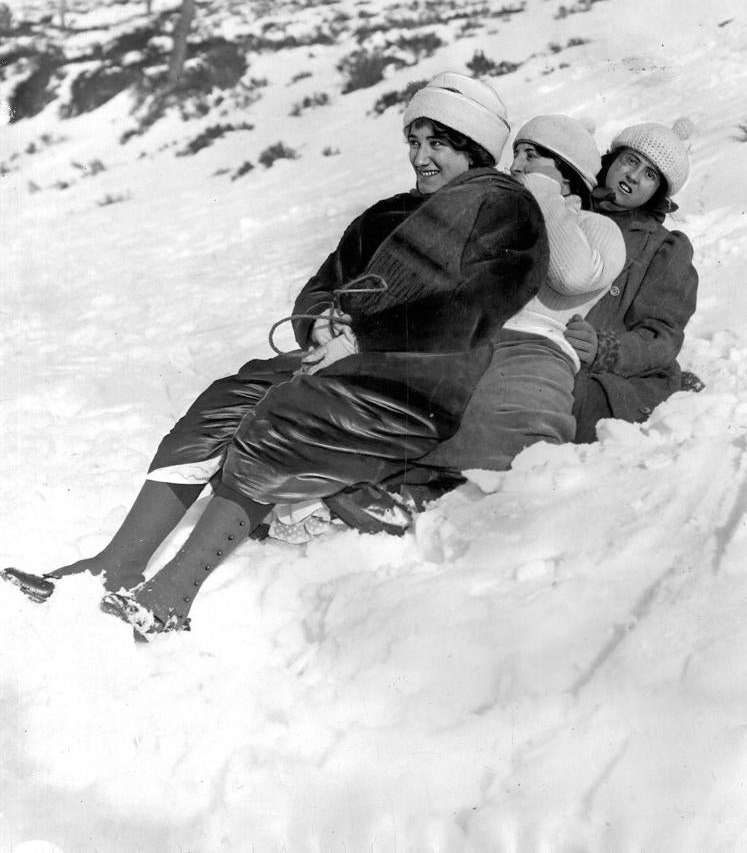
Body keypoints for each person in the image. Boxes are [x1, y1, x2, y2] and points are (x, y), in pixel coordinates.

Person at [2, 73, 549, 637]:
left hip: (418, 386)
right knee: (225, 400)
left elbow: (474, 308)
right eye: (415, 141)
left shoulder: (506, 210)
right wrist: (320, 322)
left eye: (438, 143)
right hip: (342, 362)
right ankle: (114, 566)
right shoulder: (385, 215)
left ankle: (173, 593)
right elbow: (322, 286)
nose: (421, 156)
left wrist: (362, 334)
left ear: (472, 145)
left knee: (282, 418)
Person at [415, 114, 626, 471]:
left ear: (568, 173)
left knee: (506, 445)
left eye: (531, 156)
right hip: (468, 343)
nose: (515, 166)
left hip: (535, 352)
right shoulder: (496, 221)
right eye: (516, 154)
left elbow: (570, 276)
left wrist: (541, 192)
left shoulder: (598, 228)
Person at [564, 120, 699, 441]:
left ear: (658, 191)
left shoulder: (664, 248)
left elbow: (661, 336)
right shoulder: (565, 206)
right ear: (612, 159)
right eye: (631, 160)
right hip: (537, 346)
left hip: (608, 372)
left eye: (650, 175)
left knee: (560, 406)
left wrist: (605, 349)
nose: (634, 176)